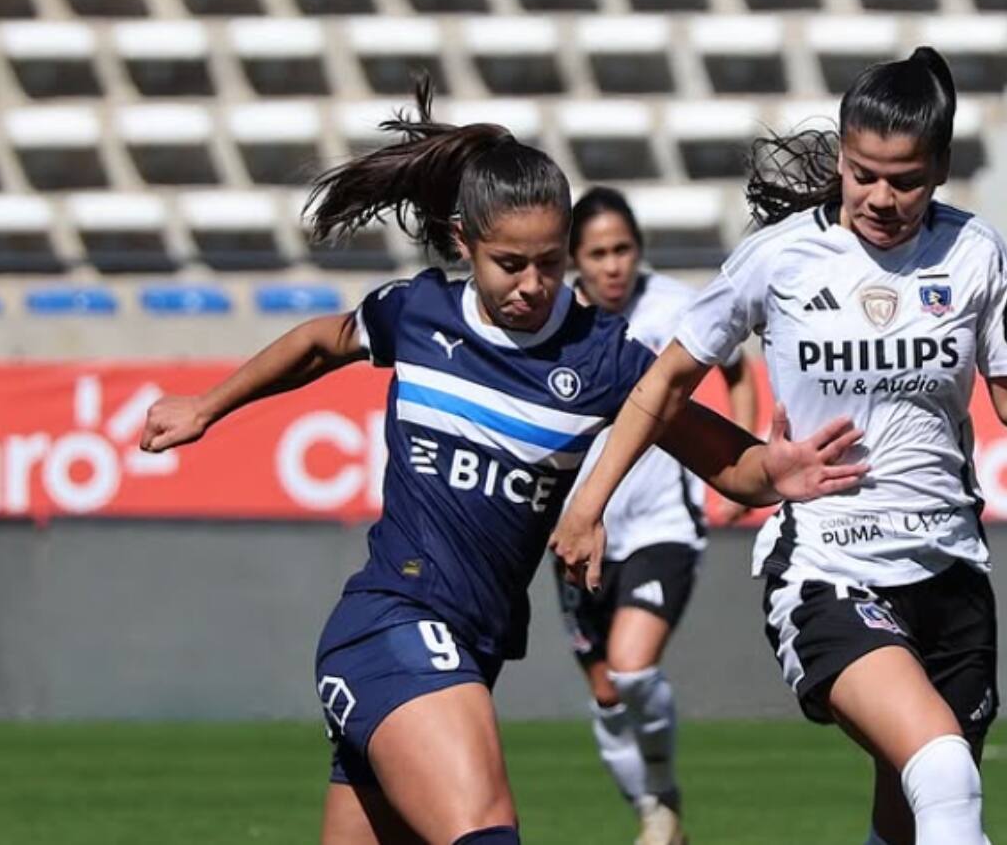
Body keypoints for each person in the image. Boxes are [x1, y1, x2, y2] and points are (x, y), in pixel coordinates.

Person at [138, 77, 868, 845]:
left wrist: (775, 471)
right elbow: (321, 341)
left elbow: (729, 463)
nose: (531, 285)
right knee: (487, 832)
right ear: (463, 243)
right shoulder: (417, 315)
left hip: (470, 650)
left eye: (550, 262)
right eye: (509, 263)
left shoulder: (604, 359)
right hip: (393, 625)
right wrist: (205, 407)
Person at [550, 47, 1007, 845]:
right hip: (826, 568)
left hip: (949, 568)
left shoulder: (975, 253)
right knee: (943, 771)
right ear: (841, 154)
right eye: (862, 172)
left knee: (913, 819)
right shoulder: (778, 259)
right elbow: (663, 383)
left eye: (903, 179)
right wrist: (589, 500)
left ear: (938, 168)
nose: (879, 197)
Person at [553, 187, 759, 845]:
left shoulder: (676, 306)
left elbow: (738, 367)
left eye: (623, 250)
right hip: (578, 530)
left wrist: (738, 462)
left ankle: (663, 800)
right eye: (597, 254)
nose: (612, 265)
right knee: (607, 695)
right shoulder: (552, 318)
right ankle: (654, 818)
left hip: (663, 522)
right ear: (573, 261)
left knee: (633, 666)